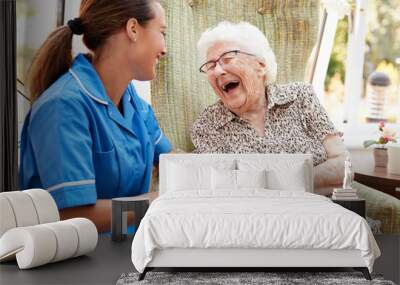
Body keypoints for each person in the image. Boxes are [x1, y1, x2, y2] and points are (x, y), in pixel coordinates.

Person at [19, 0, 172, 231]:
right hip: (78, 262)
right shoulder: (63, 106)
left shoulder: (133, 104)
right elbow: (73, 215)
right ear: (133, 29)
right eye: (161, 32)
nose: (164, 48)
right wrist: (157, 203)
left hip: (126, 252)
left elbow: (172, 160)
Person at [191, 21, 347, 195]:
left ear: (261, 65)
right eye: (211, 66)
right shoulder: (207, 126)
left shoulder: (301, 96)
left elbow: (343, 166)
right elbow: (228, 192)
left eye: (227, 58)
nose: (218, 71)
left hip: (325, 214)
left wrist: (272, 186)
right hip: (258, 219)